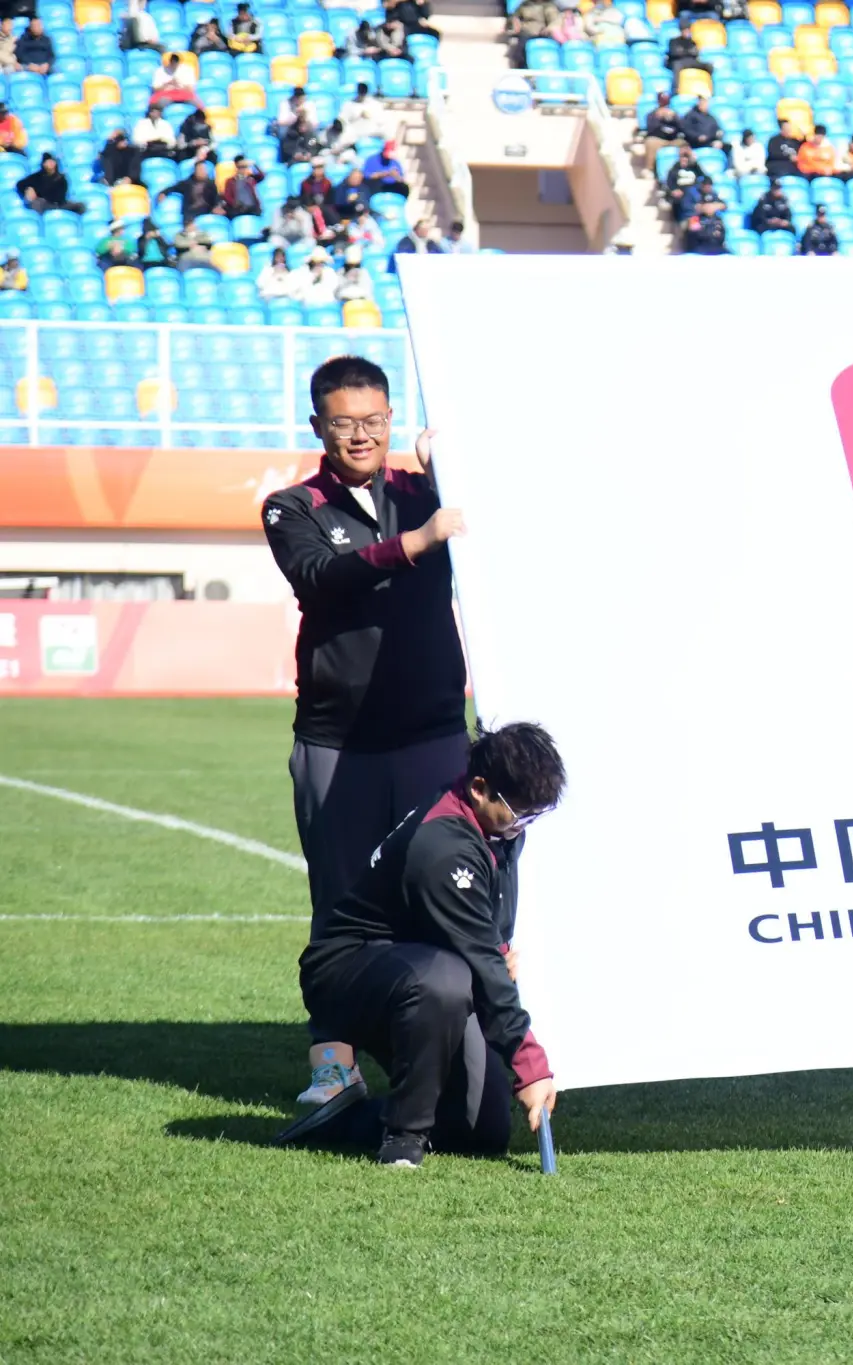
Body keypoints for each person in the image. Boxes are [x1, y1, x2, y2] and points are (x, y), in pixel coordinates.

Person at [261, 356, 471, 1111]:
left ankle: (454, 1060)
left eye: (374, 421)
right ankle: (333, 1065)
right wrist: (417, 543)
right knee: (341, 903)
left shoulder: (426, 492)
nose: (361, 435)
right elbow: (322, 578)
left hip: (435, 735)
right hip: (337, 741)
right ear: (318, 426)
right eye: (344, 422)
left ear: (390, 420)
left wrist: (455, 469)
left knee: (447, 893)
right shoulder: (292, 506)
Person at [276, 723, 564, 1167]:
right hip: (346, 971)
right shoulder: (445, 849)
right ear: (479, 788)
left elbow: (490, 939)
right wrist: (530, 1065)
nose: (522, 826)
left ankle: (342, 1122)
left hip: (418, 966)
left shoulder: (500, 828)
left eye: (532, 817)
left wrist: (499, 952)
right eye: (518, 814)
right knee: (448, 979)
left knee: (482, 1128)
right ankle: (403, 1136)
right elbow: (482, 964)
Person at [18, 153, 83, 214]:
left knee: (80, 206)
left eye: (52, 161)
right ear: (44, 164)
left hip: (59, 204)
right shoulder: (36, 177)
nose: (50, 163)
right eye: (48, 161)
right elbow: (20, 184)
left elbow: (59, 196)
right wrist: (28, 189)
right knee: (37, 203)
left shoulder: (61, 178)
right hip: (44, 205)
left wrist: (39, 193)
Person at [159, 158, 220, 222]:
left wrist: (217, 207)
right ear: (195, 171)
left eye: (203, 169)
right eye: (200, 169)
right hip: (191, 214)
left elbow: (216, 198)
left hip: (207, 213)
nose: (202, 171)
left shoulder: (211, 184)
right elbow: (173, 188)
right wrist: (164, 193)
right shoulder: (187, 183)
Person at [641, 92, 686, 172]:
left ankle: (685, 168)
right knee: (650, 142)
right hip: (659, 139)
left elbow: (682, 127)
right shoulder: (652, 114)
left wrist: (674, 118)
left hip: (672, 140)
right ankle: (649, 169)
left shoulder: (674, 113)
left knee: (684, 143)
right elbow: (651, 129)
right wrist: (660, 118)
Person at [507, 0, 556, 65]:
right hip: (526, 30)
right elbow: (515, 17)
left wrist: (548, 29)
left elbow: (554, 21)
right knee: (520, 48)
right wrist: (515, 23)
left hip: (542, 31)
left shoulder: (548, 5)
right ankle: (522, 65)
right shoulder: (525, 4)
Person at [337, 83, 379, 150]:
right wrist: (358, 116)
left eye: (364, 91)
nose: (362, 93)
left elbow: (379, 121)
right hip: (353, 136)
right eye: (360, 90)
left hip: (371, 134)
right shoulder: (348, 104)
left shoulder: (375, 104)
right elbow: (342, 121)